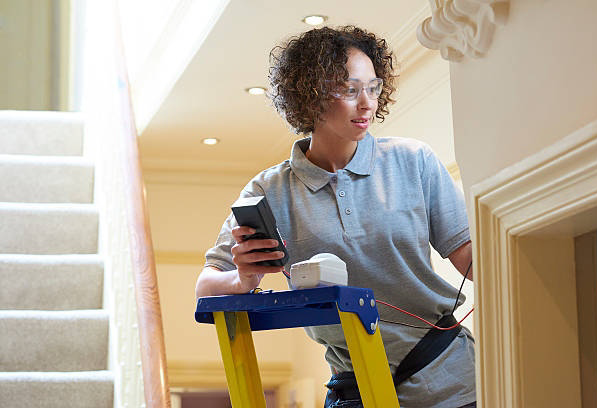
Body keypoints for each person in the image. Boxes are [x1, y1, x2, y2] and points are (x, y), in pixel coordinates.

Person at [195, 25, 476, 407]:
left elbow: (473, 260)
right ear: (309, 97)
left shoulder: (413, 161)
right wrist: (243, 277)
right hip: (357, 388)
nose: (367, 104)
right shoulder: (269, 190)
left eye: (373, 88)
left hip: (449, 382)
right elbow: (205, 288)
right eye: (349, 90)